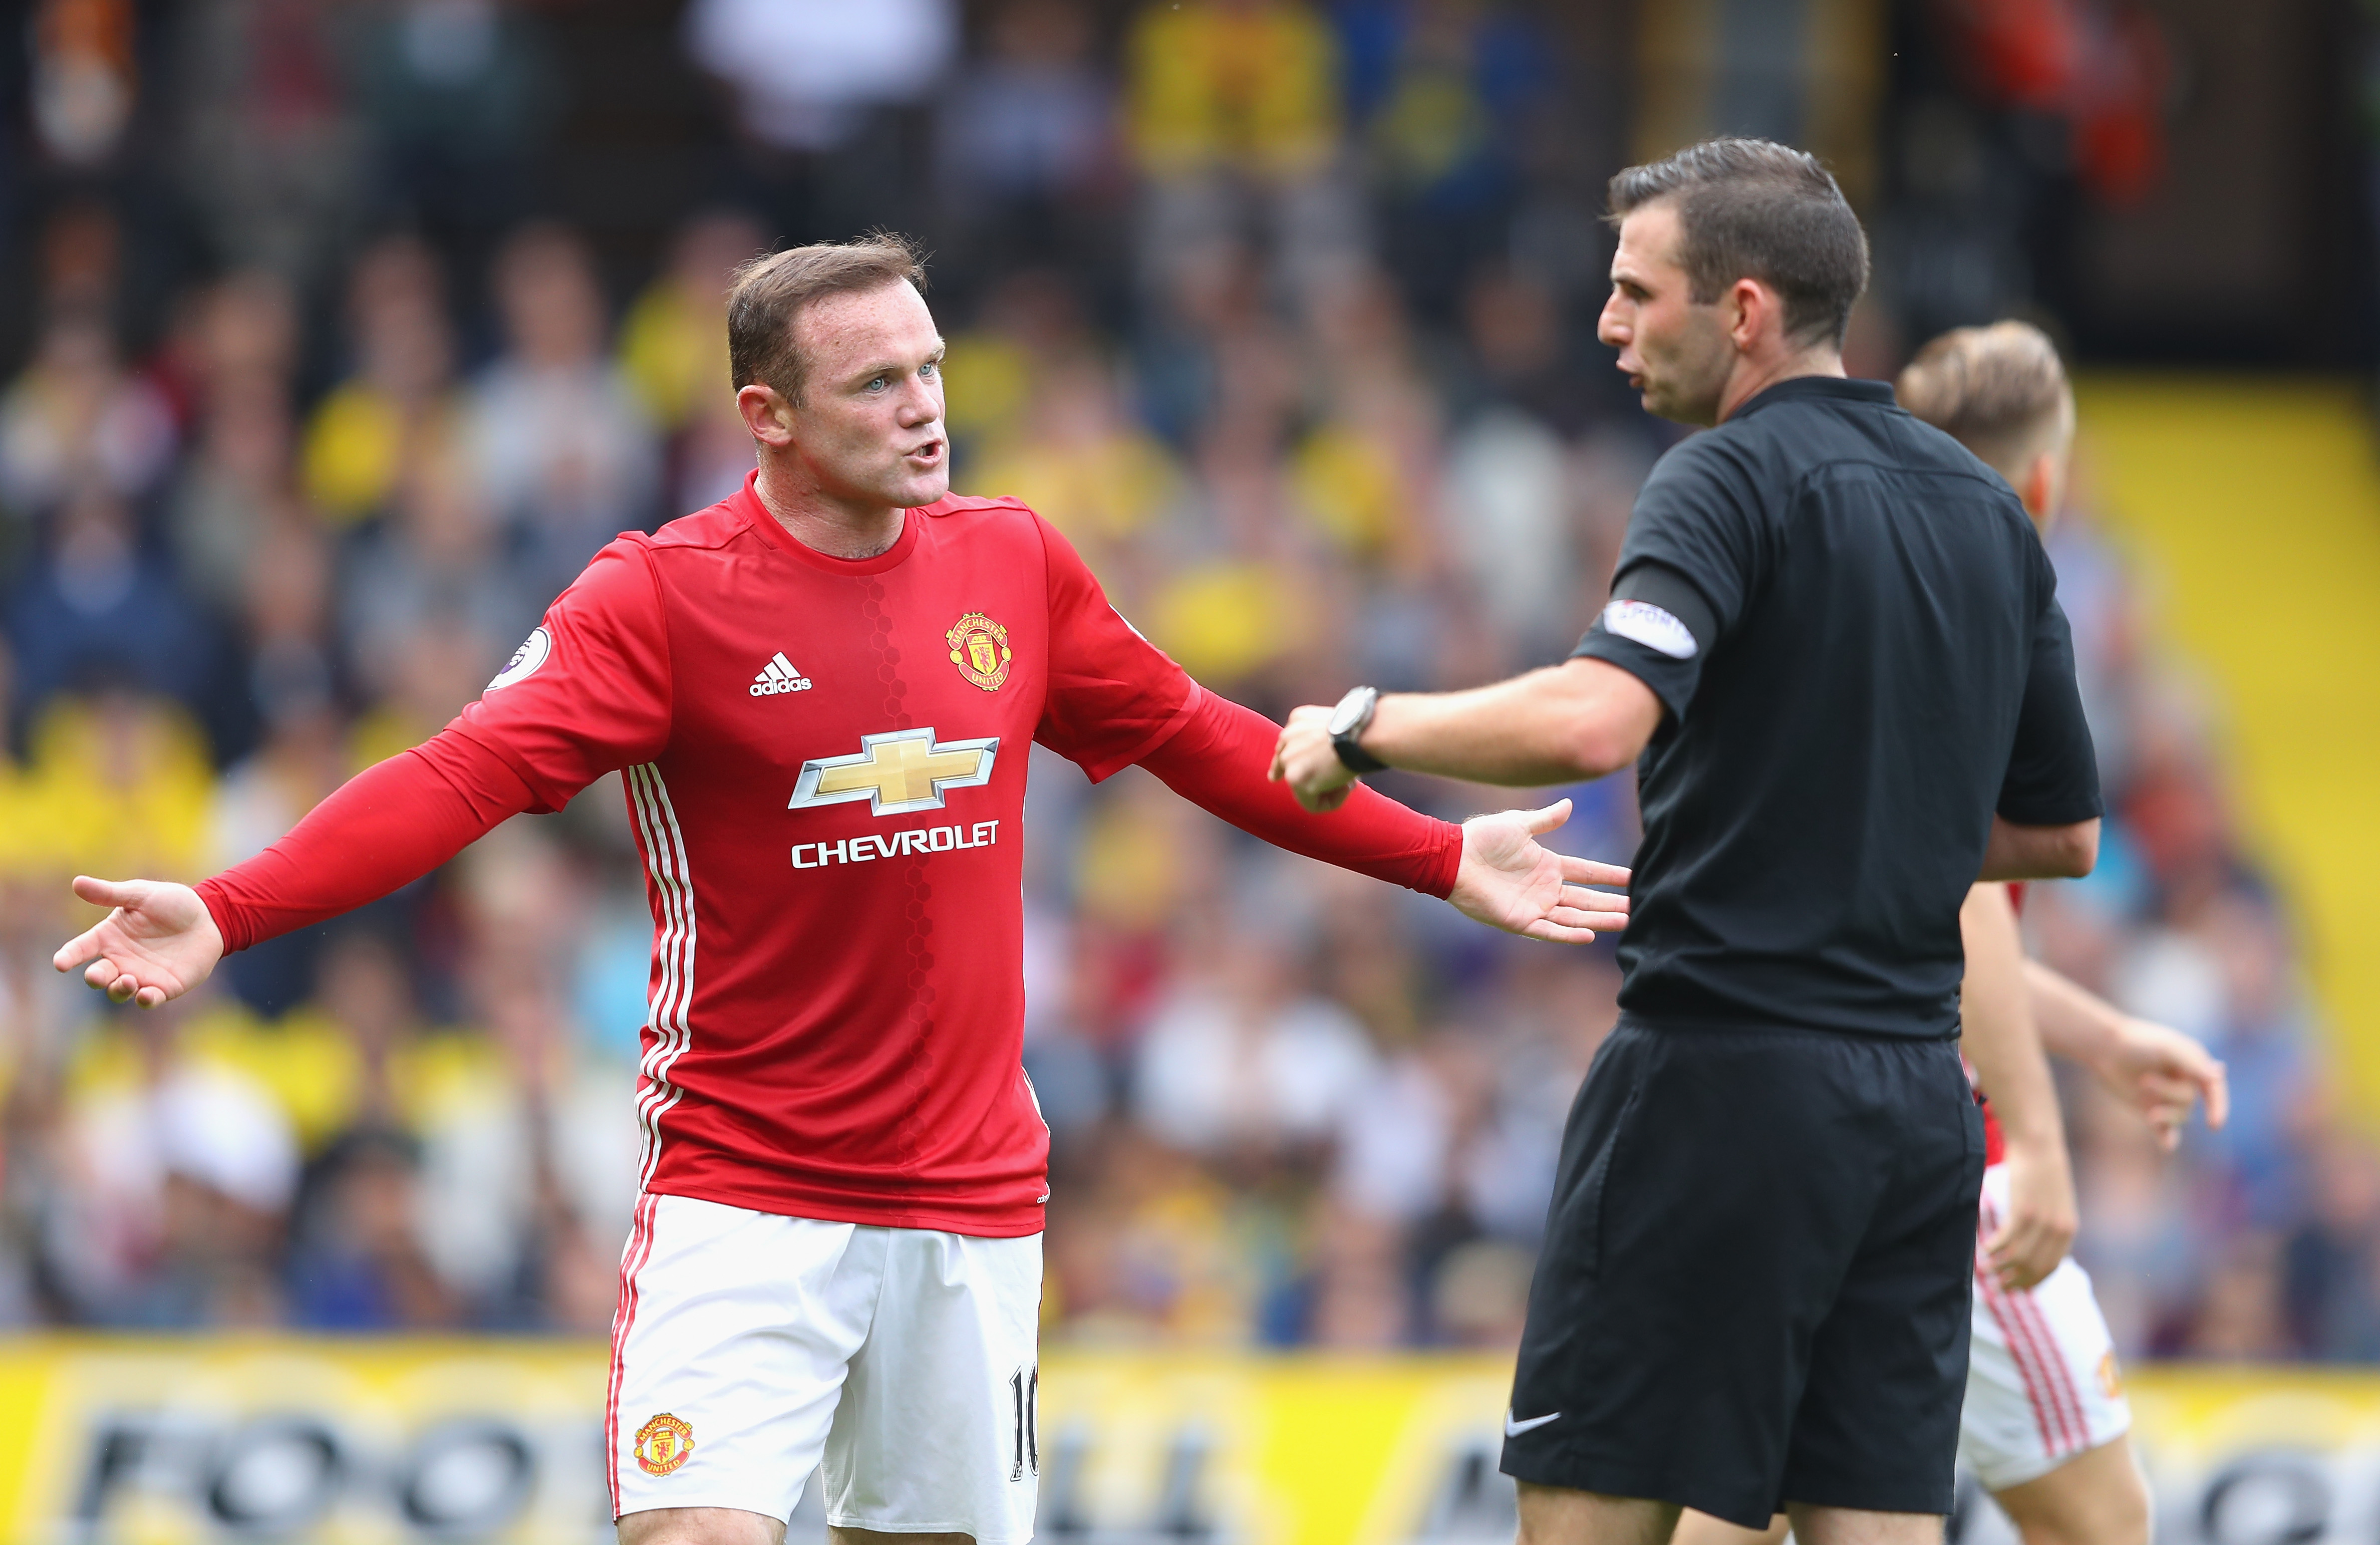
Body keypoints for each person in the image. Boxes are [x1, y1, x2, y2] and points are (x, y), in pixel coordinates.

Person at [53, 233, 1628, 1545]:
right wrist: (230, 904)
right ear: (769, 414)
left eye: (932, 366)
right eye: (878, 382)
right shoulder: (658, 599)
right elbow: (459, 773)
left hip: (969, 1210)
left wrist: (1439, 854)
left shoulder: (1013, 561)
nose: (927, 407)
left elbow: (1203, 740)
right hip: (743, 1195)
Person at [1271, 140, 2105, 1545]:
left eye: (1635, 291)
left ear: (1747, 312)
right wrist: (1862, 829)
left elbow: (1597, 720)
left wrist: (1361, 725)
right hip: (1916, 1113)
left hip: (1723, 1085)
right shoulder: (1985, 509)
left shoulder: (1721, 480)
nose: (1608, 324)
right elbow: (2061, 832)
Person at [1668, 323, 2232, 1545]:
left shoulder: (1865, 601)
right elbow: (1967, 893)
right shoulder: (1987, 614)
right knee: (2103, 1524)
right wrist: (2037, 1141)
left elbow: (1927, 921)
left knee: (1751, 1509)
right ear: (2043, 481)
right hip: (1943, 1169)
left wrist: (2102, 1038)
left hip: (1794, 1128)